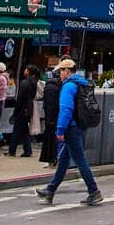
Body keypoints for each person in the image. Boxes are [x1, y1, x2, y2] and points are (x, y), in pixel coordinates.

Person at [37, 58, 102, 206]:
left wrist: (60, 130)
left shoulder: (68, 87)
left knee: (80, 160)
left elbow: (66, 110)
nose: (59, 75)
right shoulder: (83, 84)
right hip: (81, 125)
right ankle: (50, 190)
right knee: (64, 160)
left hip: (71, 128)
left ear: (67, 71)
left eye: (60, 71)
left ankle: (94, 191)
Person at [8, 65, 38, 158]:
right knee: (25, 130)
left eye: (26, 69)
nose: (24, 71)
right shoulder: (34, 82)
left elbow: (20, 99)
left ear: (28, 71)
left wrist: (16, 111)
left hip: (22, 109)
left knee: (17, 130)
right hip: (29, 108)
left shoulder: (24, 83)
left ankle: (12, 150)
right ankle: (27, 150)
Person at [38, 63, 63, 166]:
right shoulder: (61, 86)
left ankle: (50, 160)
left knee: (50, 137)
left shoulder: (49, 85)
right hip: (58, 116)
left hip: (50, 116)